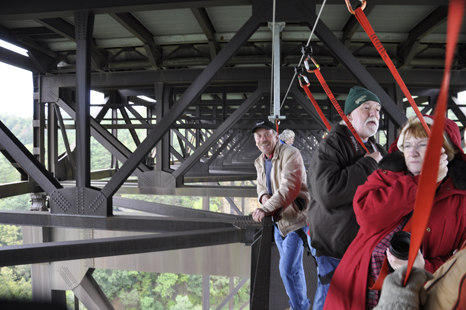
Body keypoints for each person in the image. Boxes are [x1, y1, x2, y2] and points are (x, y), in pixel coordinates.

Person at [323, 115, 466, 309]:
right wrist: (421, 184)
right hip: (360, 284)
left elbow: (461, 260)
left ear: (445, 152)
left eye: (422, 145)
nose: (412, 153)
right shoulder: (386, 175)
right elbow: (367, 217)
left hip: (418, 294)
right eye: (407, 145)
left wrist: (423, 268)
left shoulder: (461, 198)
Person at [307, 86, 387, 310]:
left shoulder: (372, 148)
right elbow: (327, 192)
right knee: (330, 300)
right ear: (349, 116)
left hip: (357, 245)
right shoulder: (333, 144)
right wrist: (369, 164)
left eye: (378, 109)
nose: (374, 113)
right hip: (334, 247)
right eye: (366, 108)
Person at [250, 119, 311, 310]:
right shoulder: (259, 161)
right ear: (255, 141)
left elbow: (290, 188)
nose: (263, 139)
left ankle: (298, 307)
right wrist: (263, 197)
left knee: (286, 270)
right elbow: (260, 186)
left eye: (267, 134)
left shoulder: (291, 154)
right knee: (294, 269)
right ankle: (302, 305)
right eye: (259, 136)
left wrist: (265, 209)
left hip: (297, 219)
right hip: (278, 222)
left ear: (276, 135)